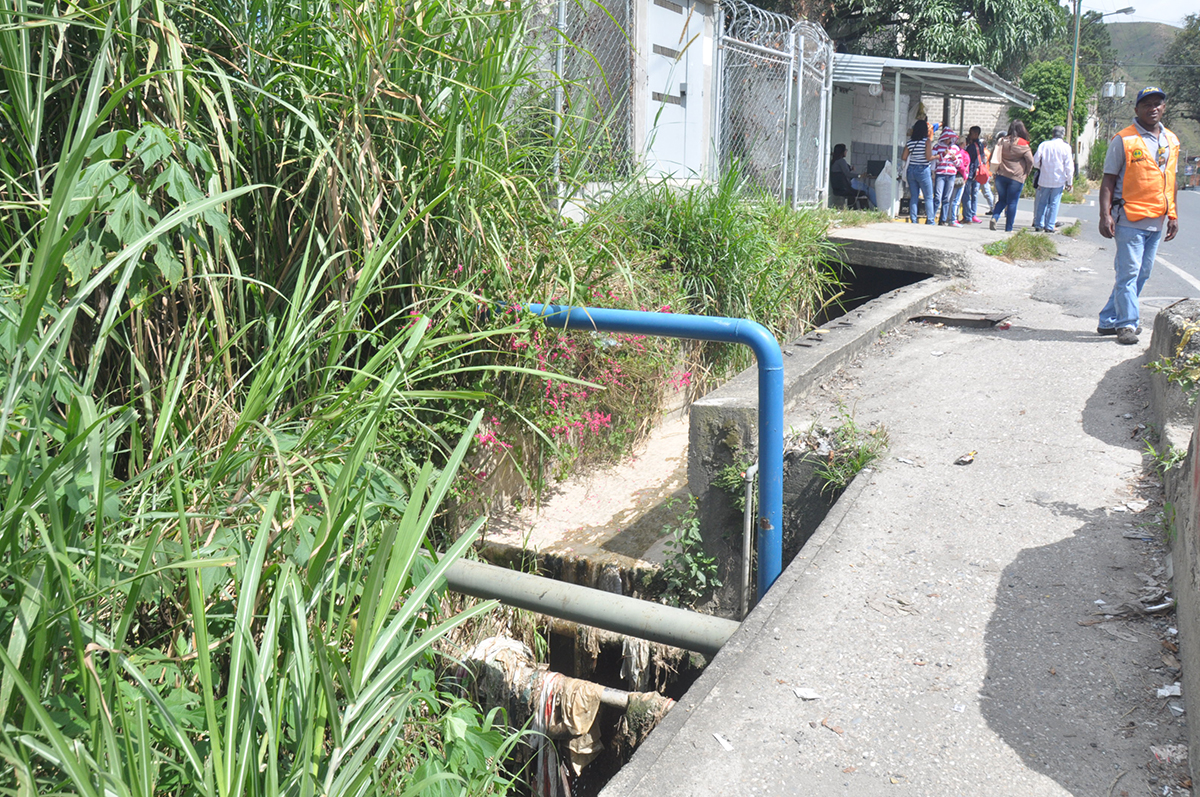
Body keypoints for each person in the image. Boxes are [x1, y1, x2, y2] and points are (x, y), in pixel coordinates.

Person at [1096, 87, 1181, 346]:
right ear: (1136, 110)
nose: (1152, 108)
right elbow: (1108, 179)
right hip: (1129, 218)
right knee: (1128, 273)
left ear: (1164, 108)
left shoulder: (1172, 141)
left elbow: (1171, 180)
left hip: (1157, 219)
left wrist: (1173, 214)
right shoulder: (1123, 140)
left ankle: (1108, 320)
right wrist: (1105, 214)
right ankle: (1126, 324)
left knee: (1141, 274)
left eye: (1157, 104)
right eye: (1146, 104)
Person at [989, 120, 1034, 232]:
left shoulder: (1002, 140)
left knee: (1002, 200)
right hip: (1016, 177)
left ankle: (995, 217)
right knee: (1012, 202)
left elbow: (992, 156)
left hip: (1001, 175)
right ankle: (1008, 228)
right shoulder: (1023, 143)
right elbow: (1030, 161)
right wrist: (1027, 172)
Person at [1031, 126, 1073, 232]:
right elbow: (1069, 166)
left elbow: (1035, 161)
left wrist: (1041, 167)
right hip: (1058, 180)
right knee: (1054, 202)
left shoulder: (1044, 145)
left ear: (1052, 134)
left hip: (1044, 178)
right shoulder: (1066, 147)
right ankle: (1049, 226)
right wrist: (1070, 181)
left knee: (1042, 202)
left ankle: (1039, 224)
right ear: (1063, 135)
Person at [901, 120, 935, 224]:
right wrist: (937, 156)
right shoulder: (926, 141)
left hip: (911, 170)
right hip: (923, 170)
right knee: (928, 197)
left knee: (914, 196)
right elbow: (928, 157)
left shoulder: (910, 142)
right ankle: (930, 220)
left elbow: (904, 157)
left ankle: (914, 219)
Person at [932, 127, 962, 225]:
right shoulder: (937, 147)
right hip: (940, 174)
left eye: (950, 138)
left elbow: (959, 163)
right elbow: (934, 161)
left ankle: (943, 220)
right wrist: (942, 155)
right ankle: (931, 217)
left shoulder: (956, 148)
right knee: (937, 197)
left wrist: (954, 158)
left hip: (951, 175)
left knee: (947, 198)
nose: (948, 140)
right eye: (947, 138)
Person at [829, 143, 874, 208]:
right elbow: (847, 173)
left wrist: (850, 168)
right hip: (844, 189)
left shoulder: (835, 162)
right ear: (842, 152)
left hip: (838, 188)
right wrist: (859, 176)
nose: (846, 152)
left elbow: (844, 169)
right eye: (845, 150)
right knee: (864, 192)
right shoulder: (841, 161)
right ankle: (866, 209)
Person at [961, 126, 987, 223]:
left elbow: (967, 159)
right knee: (974, 195)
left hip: (970, 173)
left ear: (975, 134)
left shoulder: (971, 147)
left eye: (971, 133)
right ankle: (973, 214)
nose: (969, 135)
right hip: (977, 173)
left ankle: (967, 216)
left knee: (967, 195)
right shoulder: (980, 145)